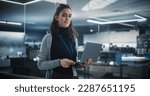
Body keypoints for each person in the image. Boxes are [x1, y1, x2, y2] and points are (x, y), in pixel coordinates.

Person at [37, 4, 92, 79]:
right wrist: (59, 62)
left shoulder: (74, 38)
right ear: (56, 17)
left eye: (69, 16)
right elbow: (40, 65)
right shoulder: (48, 38)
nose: (67, 18)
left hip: (73, 78)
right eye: (64, 15)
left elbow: (73, 62)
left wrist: (80, 64)